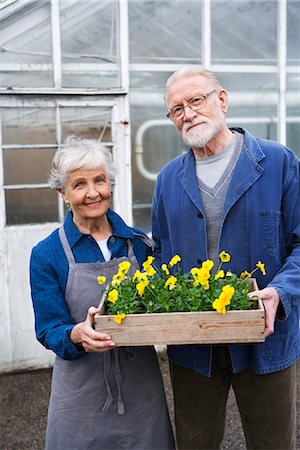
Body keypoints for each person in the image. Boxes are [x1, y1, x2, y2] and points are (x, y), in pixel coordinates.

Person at [151, 66, 300, 450]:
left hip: (265, 337)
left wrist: (280, 291)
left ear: (222, 99)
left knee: (273, 442)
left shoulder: (278, 162)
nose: (187, 113)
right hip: (193, 343)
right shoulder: (168, 179)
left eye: (195, 99)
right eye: (176, 109)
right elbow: (160, 253)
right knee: (195, 442)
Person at [30, 136, 175, 450]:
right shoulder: (47, 254)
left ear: (110, 184)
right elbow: (48, 329)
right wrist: (78, 334)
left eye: (100, 180)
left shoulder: (138, 244)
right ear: (63, 193)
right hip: (81, 390)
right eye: (79, 184)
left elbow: (163, 302)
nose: (93, 192)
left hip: (140, 385)